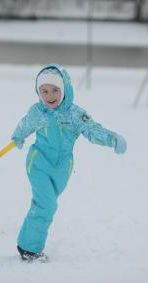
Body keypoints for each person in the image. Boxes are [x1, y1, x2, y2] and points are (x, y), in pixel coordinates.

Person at [11, 64, 127, 262]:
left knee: (42, 204)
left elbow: (92, 129)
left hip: (62, 169)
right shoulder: (37, 112)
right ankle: (30, 249)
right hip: (38, 163)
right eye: (44, 91)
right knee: (46, 205)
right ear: (38, 92)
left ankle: (25, 243)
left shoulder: (74, 114)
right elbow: (24, 125)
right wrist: (18, 137)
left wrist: (112, 138)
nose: (49, 96)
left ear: (64, 89)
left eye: (55, 90)